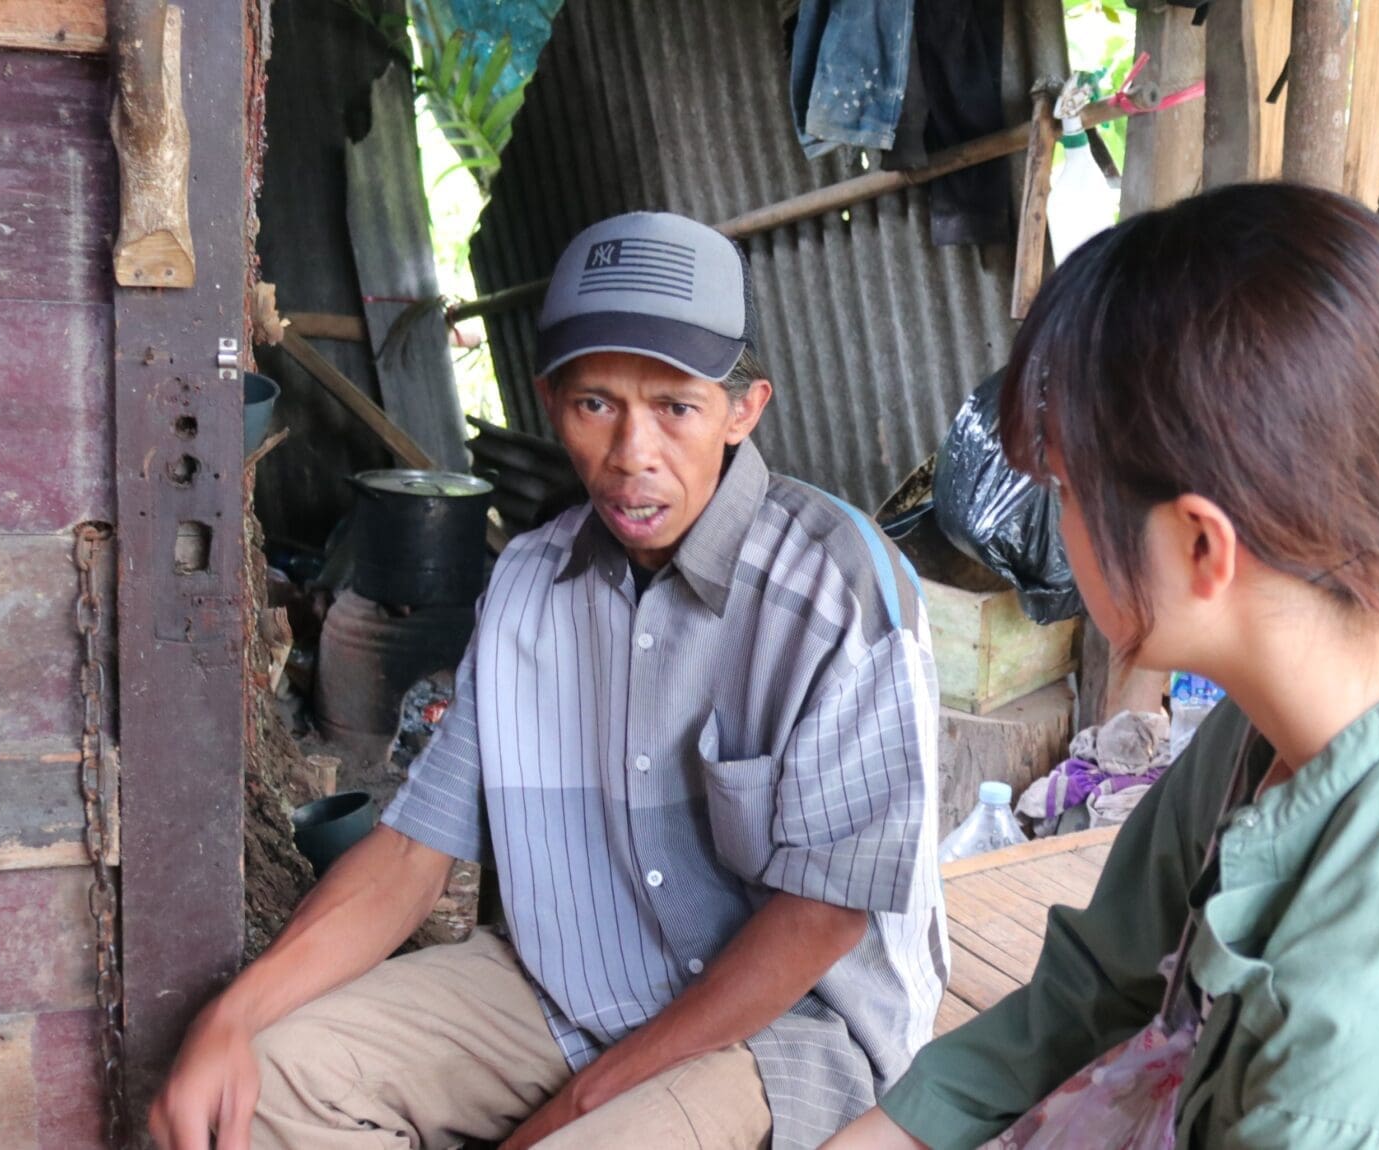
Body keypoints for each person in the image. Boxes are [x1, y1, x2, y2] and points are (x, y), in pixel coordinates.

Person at [829, 183, 1379, 1149]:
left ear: (1200, 547)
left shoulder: (1375, 1075)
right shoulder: (1310, 697)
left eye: (1066, 491)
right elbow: (1103, 983)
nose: (1059, 529)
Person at [149, 211, 948, 1150]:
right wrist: (231, 1019)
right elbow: (414, 854)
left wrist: (573, 1110)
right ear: (548, 402)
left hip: (780, 1033)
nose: (631, 453)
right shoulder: (529, 582)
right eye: (594, 403)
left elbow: (821, 919)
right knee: (271, 1081)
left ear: (744, 409)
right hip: (565, 986)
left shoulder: (840, 590)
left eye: (676, 407)